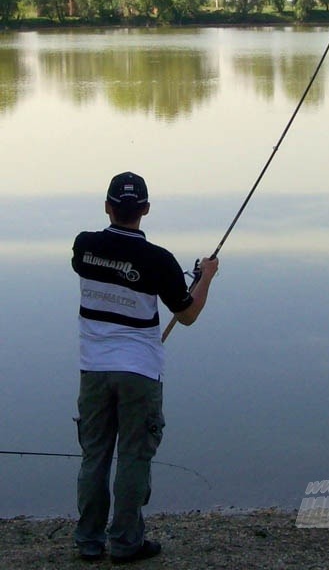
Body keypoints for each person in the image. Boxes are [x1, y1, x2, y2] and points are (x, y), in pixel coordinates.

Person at [71, 171, 218, 563]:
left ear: (107, 206)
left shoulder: (83, 247)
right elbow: (187, 315)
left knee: (95, 456)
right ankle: (125, 543)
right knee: (134, 457)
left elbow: (105, 268)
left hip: (93, 371)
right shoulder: (159, 261)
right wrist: (206, 278)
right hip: (139, 373)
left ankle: (88, 541)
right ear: (146, 210)